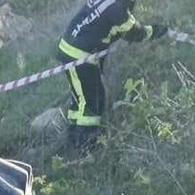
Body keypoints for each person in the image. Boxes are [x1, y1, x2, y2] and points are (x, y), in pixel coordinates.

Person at [57, 0, 168, 152]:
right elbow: (135, 32)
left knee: (80, 99)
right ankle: (86, 146)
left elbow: (99, 29)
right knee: (93, 100)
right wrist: (154, 31)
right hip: (79, 56)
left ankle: (73, 138)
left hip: (70, 49)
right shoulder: (117, 9)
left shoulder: (110, 3)